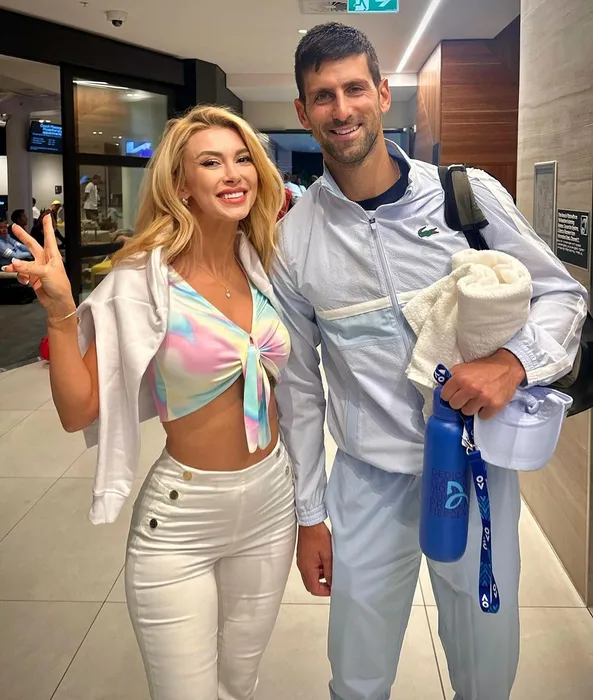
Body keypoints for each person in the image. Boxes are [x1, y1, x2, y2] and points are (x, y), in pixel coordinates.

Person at [271, 22, 587, 700]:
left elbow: (562, 294)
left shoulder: (461, 196)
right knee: (357, 674)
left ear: (383, 94)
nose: (342, 109)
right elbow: (298, 390)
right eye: (323, 96)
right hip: (367, 481)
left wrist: (513, 361)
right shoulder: (294, 240)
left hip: (474, 468)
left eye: (355, 88)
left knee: (484, 664)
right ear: (302, 111)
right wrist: (308, 515)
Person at [4, 105, 296, 700]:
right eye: (210, 162)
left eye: (242, 159)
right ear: (181, 184)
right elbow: (78, 410)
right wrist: (60, 312)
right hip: (183, 521)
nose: (233, 173)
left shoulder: (264, 261)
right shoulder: (142, 279)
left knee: (240, 684)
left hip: (271, 505)